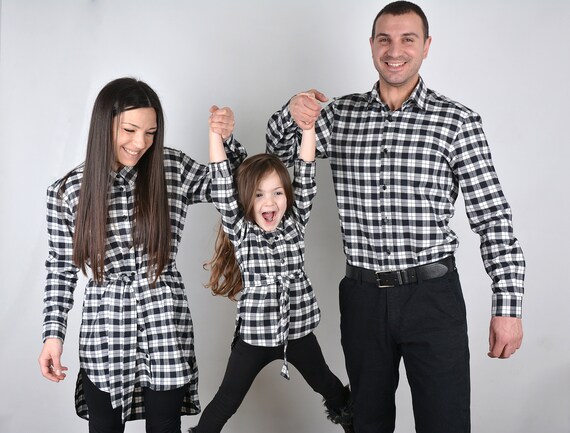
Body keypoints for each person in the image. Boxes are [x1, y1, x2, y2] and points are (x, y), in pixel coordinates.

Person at [266, 2, 525, 432]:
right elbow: (277, 150)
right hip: (363, 296)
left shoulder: (456, 122)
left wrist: (508, 306)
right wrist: (292, 109)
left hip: (432, 297)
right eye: (384, 39)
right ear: (371, 46)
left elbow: (493, 217)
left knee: (445, 422)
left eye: (408, 39)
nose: (395, 50)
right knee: (367, 422)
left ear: (426, 47)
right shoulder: (341, 115)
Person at [38, 77, 246, 433]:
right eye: (130, 130)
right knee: (104, 424)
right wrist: (52, 335)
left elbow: (233, 186)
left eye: (151, 132)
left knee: (165, 424)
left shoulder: (171, 168)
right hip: (105, 324)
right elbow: (61, 268)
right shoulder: (68, 191)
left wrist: (225, 139)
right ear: (105, 124)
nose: (140, 143)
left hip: (164, 315)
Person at [188, 107, 354, 433]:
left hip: (297, 332)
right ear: (246, 200)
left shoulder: (294, 222)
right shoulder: (240, 229)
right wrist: (214, 134)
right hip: (254, 337)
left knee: (329, 385)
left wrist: (308, 129)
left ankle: (357, 425)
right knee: (227, 399)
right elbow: (221, 178)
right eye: (260, 194)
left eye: (278, 192)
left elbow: (306, 173)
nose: (270, 202)